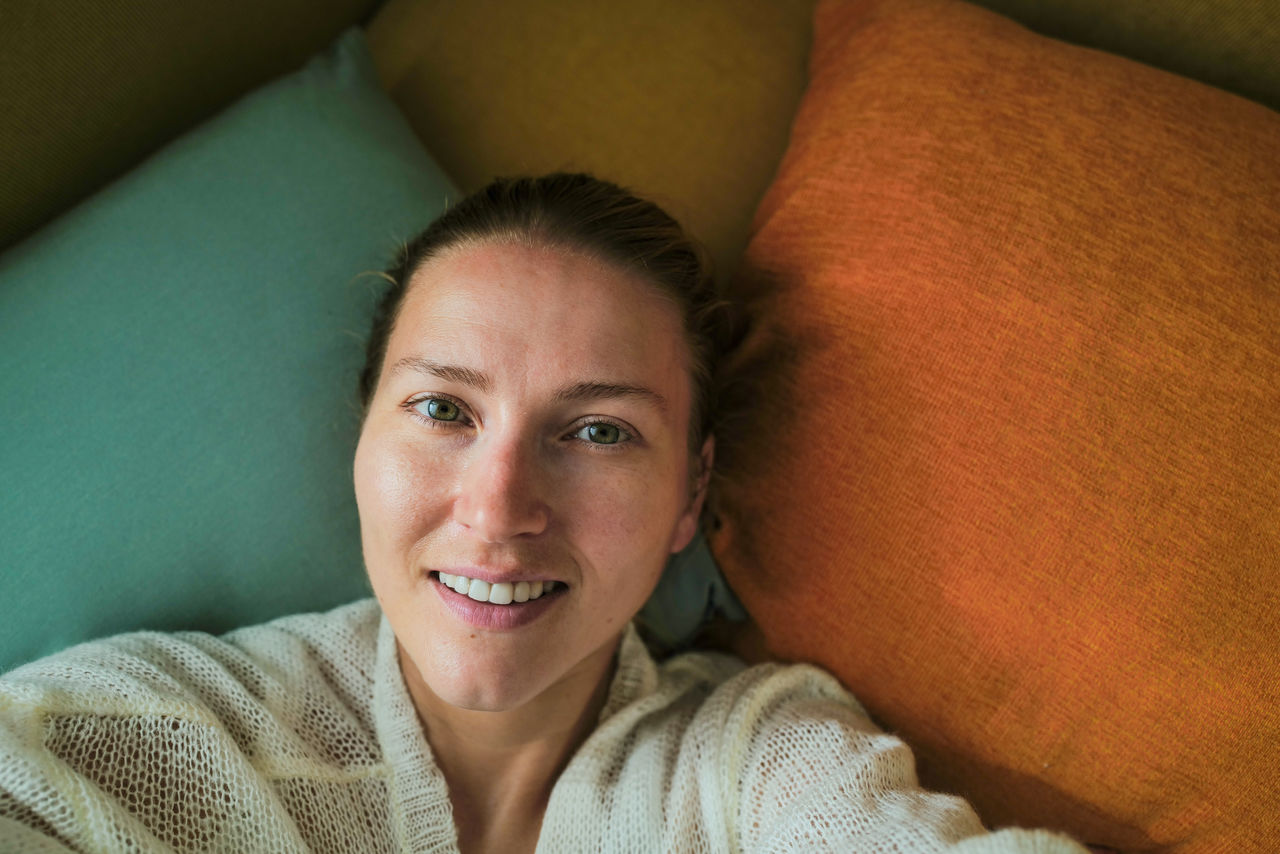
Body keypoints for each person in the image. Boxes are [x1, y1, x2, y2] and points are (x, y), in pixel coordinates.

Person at [0, 174, 1087, 853]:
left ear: (688, 499)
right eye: (442, 409)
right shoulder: (157, 735)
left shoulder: (750, 765)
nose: (497, 505)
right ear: (361, 439)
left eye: (599, 430)